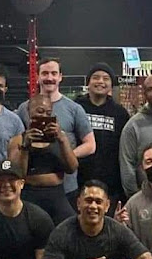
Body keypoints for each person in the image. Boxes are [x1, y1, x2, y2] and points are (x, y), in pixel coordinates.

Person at [16, 57, 96, 207]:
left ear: (60, 77)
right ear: (37, 76)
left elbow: (90, 145)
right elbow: (17, 143)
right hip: (31, 186)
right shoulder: (24, 108)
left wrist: (64, 155)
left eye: (54, 73)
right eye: (45, 73)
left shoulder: (74, 109)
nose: (50, 78)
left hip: (66, 187)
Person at [8, 93, 77, 225]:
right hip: (30, 194)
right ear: (29, 112)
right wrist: (25, 147)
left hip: (57, 194)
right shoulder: (17, 140)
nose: (44, 116)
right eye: (40, 111)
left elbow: (72, 167)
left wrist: (62, 140)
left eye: (48, 113)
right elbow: (16, 174)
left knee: (68, 227)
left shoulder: (60, 138)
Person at [75, 63, 130, 212]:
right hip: (79, 181)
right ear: (88, 82)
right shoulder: (77, 108)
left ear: (111, 85)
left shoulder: (120, 113)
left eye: (106, 78)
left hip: (111, 185)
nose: (100, 81)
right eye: (96, 77)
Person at [119, 74, 152, 198]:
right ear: (144, 94)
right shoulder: (133, 126)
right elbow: (127, 165)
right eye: (150, 89)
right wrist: (135, 197)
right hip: (146, 197)